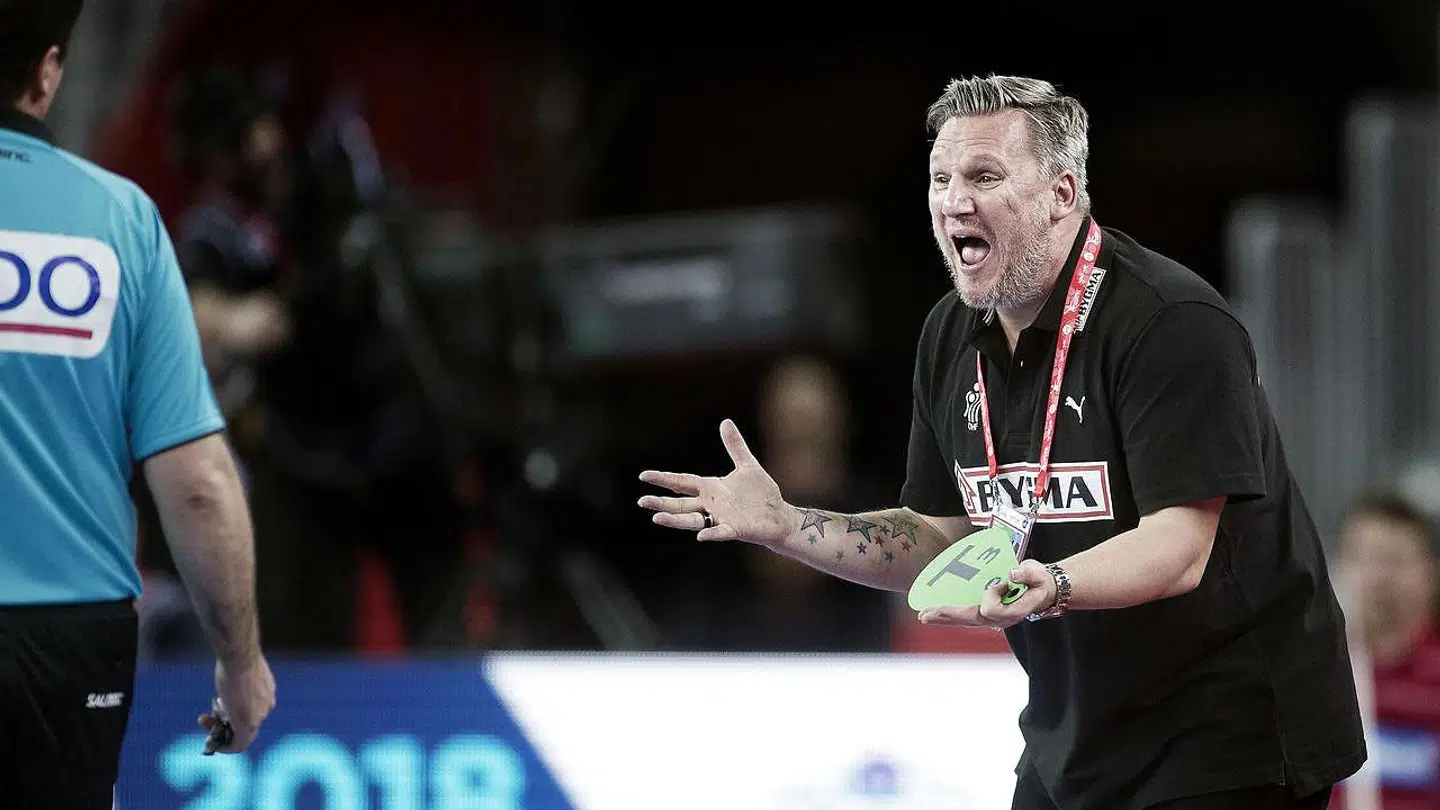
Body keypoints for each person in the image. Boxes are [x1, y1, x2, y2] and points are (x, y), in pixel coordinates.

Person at [638, 74, 1365, 810]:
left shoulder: (1170, 322)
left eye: (984, 176)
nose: (955, 201)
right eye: (941, 179)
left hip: (1233, 730)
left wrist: (1053, 585)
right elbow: (937, 536)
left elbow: (1178, 546)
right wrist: (789, 526)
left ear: (1061, 194)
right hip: (1078, 731)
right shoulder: (948, 335)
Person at [0, 2, 276, 805]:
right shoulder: (119, 222)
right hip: (68, 643)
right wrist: (240, 661)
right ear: (47, 73)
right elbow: (198, 483)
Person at [1331, 493, 1440, 809]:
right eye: (1360, 559)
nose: (1376, 578)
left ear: (1430, 572)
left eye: (1392, 560)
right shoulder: (1311, 677)